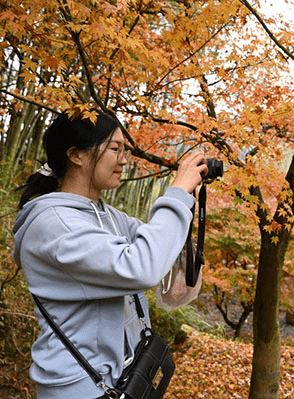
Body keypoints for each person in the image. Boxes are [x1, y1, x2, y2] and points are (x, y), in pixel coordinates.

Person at [12, 110, 208, 399]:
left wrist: (184, 225)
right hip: (79, 388)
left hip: (122, 377)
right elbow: (142, 268)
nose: (124, 159)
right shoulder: (54, 225)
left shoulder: (109, 216)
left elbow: (167, 261)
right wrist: (178, 192)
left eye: (125, 150)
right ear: (76, 155)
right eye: (115, 149)